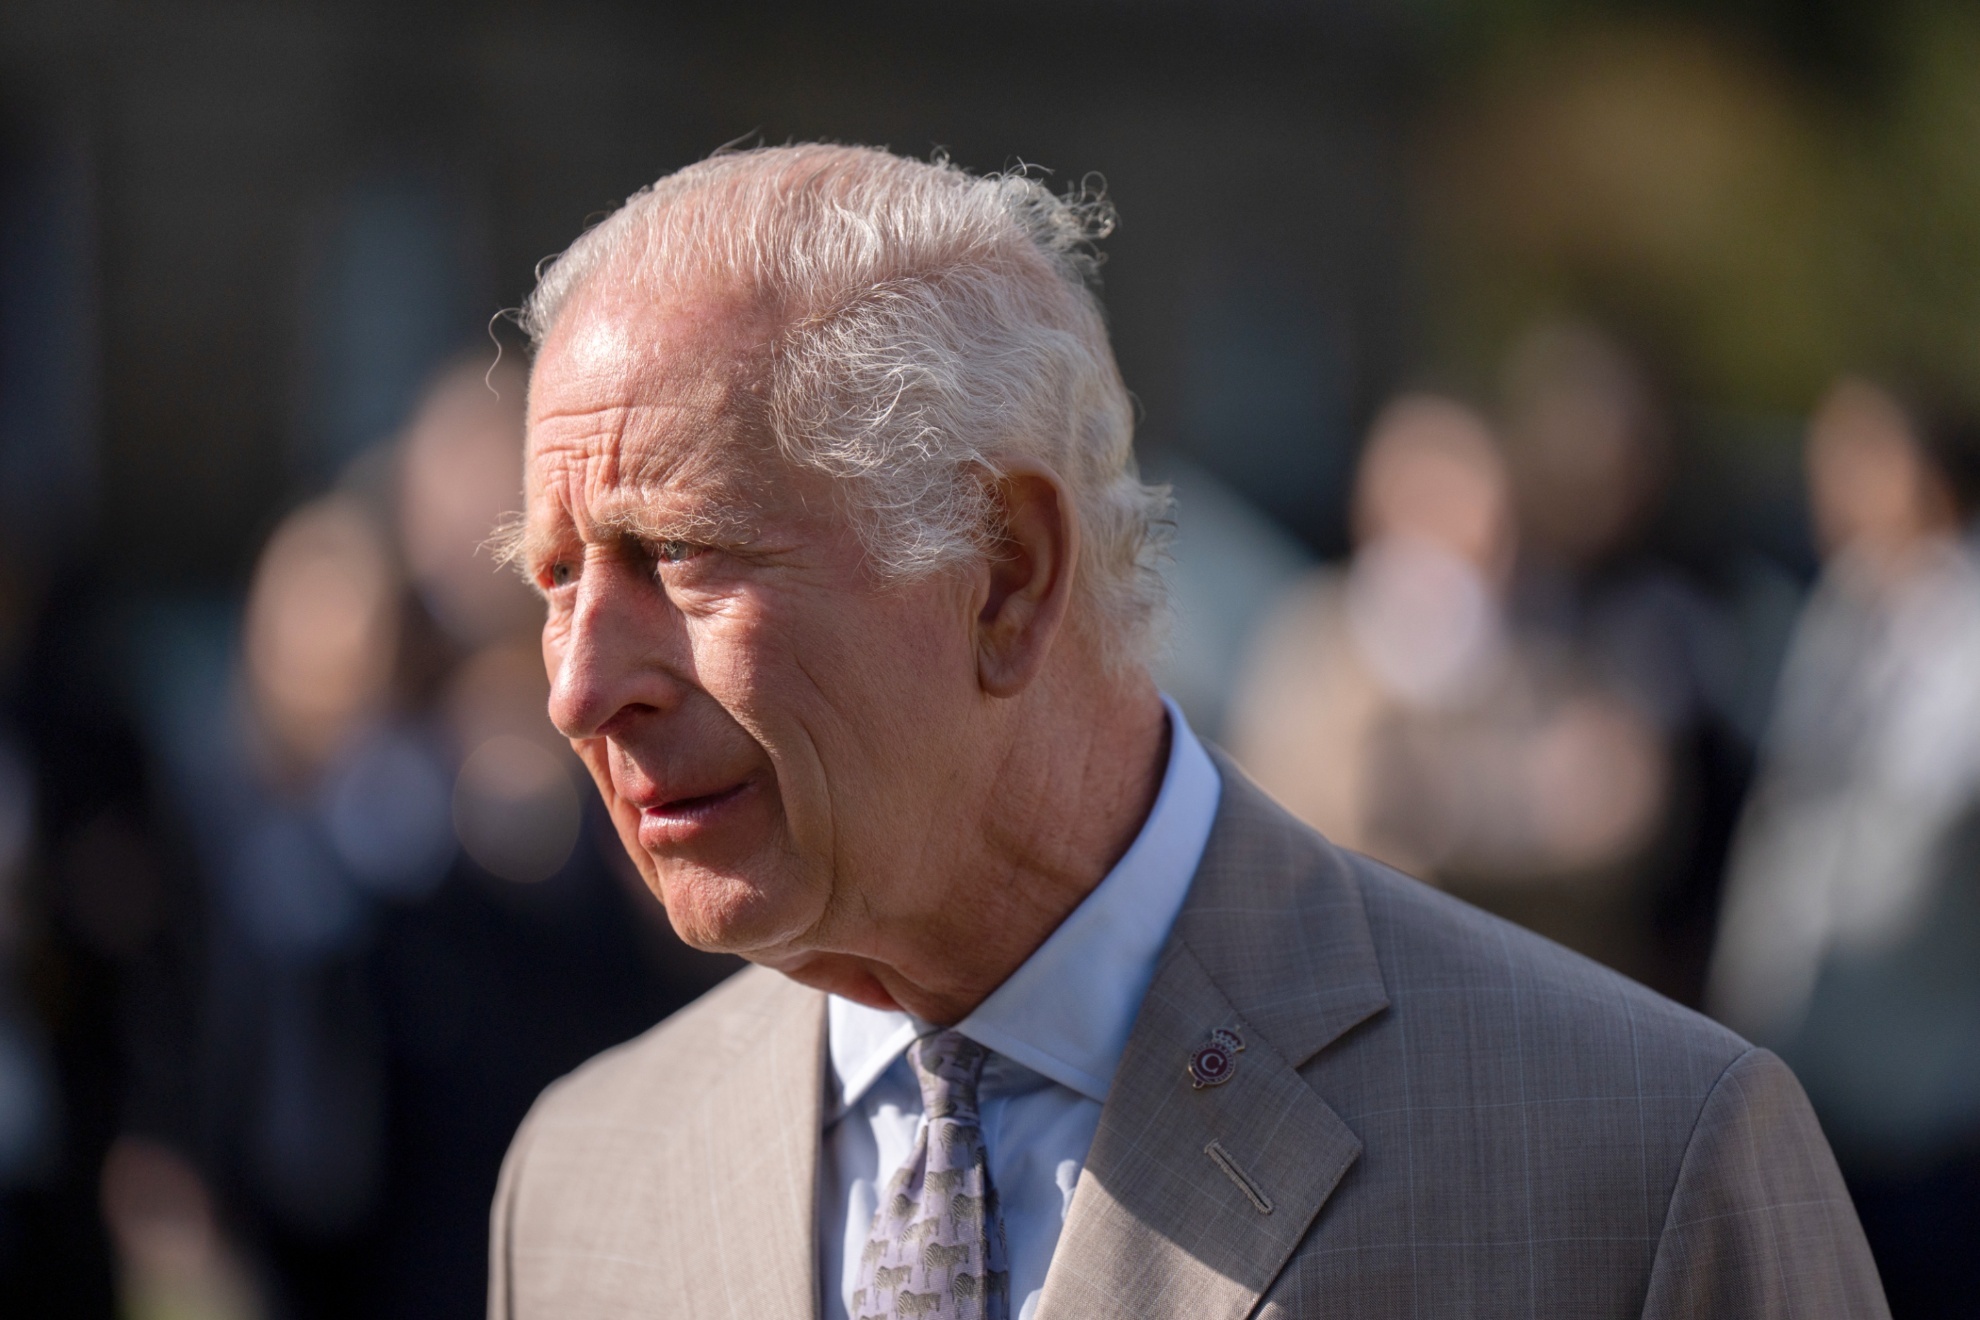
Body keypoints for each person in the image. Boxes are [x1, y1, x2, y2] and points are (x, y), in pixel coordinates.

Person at [489, 144, 1885, 1318]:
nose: (580, 686)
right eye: (556, 580)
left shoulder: (1636, 1162)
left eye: (682, 554)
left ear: (1007, 573)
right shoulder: (584, 1181)